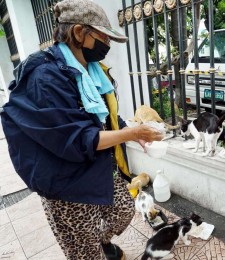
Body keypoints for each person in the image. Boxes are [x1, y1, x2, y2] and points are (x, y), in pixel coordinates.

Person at [0, 0, 163, 259]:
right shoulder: (45, 78)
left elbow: (103, 116)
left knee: (122, 211)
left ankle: (102, 243)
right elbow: (77, 139)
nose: (107, 46)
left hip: (96, 163)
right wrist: (133, 134)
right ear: (78, 32)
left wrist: (130, 129)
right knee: (83, 248)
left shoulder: (92, 71)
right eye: (104, 38)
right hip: (65, 181)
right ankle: (94, 250)